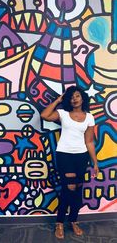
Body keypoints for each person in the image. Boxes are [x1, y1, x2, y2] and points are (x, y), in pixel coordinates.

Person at [41, 86, 99, 239]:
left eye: (77, 96)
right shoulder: (63, 114)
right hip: (64, 154)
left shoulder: (89, 117)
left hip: (81, 156)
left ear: (82, 98)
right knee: (69, 187)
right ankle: (59, 222)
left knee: (78, 188)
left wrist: (95, 163)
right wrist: (58, 101)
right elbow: (44, 115)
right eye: (71, 96)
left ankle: (73, 220)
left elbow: (89, 142)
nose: (74, 99)